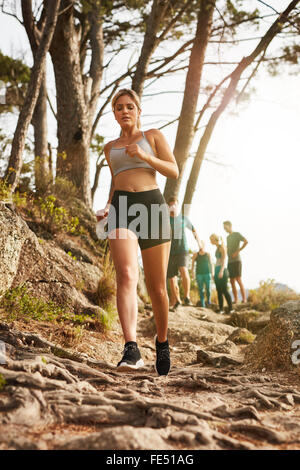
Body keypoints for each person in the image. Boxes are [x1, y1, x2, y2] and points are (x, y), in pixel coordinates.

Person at [97, 88, 178, 376]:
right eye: (119, 107)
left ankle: (163, 341)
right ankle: (131, 348)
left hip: (152, 206)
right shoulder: (110, 148)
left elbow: (173, 170)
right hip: (122, 208)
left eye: (130, 106)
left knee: (157, 287)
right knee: (127, 275)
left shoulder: (153, 136)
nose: (124, 111)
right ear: (115, 113)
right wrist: (107, 206)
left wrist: (144, 155)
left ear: (138, 111)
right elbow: (116, 180)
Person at [166, 197, 201, 310]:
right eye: (171, 205)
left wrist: (199, 243)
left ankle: (187, 297)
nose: (173, 207)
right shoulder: (165, 219)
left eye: (175, 204)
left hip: (182, 250)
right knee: (172, 278)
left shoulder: (183, 219)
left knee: (184, 270)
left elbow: (194, 230)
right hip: (170, 252)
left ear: (178, 205)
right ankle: (177, 300)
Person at [223, 221, 248, 303]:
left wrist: (238, 251)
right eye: (224, 228)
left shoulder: (237, 234)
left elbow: (246, 241)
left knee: (238, 279)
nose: (225, 229)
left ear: (230, 226)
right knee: (231, 281)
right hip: (229, 261)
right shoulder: (227, 237)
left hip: (237, 260)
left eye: (226, 228)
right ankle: (236, 299)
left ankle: (244, 299)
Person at [209, 234, 233, 314]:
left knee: (224, 290)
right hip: (217, 269)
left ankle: (231, 308)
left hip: (222, 269)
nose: (210, 241)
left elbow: (224, 260)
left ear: (215, 239)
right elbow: (217, 261)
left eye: (211, 239)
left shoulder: (222, 247)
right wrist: (214, 272)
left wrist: (221, 271)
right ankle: (221, 309)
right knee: (219, 291)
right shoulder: (217, 248)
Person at [191, 241, 213, 308]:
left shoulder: (208, 254)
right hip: (199, 274)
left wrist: (212, 273)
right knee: (201, 289)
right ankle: (203, 304)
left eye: (201, 245)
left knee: (208, 289)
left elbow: (211, 264)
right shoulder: (196, 254)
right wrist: (192, 273)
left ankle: (208, 301)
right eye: (199, 245)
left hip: (207, 273)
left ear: (204, 245)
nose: (200, 246)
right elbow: (192, 265)